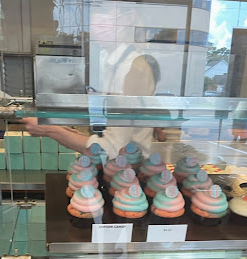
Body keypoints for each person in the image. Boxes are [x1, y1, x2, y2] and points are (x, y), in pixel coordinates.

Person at [23, 2, 161, 157]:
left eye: (103, 10)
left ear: (128, 18)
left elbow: (112, 149)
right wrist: (61, 129)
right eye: (93, 12)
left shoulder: (132, 69)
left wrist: (49, 129)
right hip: (116, 166)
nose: (95, 20)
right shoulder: (114, 63)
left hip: (128, 169)